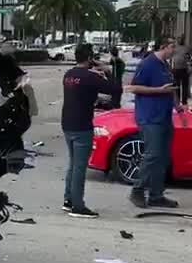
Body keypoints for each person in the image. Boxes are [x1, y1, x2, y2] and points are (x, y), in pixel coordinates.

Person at [61, 42, 120, 218]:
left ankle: (68, 200)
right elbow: (115, 88)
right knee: (80, 167)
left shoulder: (68, 75)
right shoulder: (90, 77)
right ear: (89, 58)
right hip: (82, 125)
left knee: (73, 164)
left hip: (67, 123)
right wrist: (107, 71)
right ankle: (78, 206)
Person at [128, 36, 180, 209]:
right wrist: (158, 90)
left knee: (163, 158)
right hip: (149, 118)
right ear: (164, 47)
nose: (174, 50)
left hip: (164, 117)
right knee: (153, 155)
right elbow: (134, 87)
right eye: (172, 47)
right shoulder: (147, 64)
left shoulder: (165, 65)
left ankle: (156, 195)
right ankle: (137, 190)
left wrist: (176, 104)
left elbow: (169, 88)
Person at [172, 36, 190, 106]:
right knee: (177, 86)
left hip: (185, 69)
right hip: (176, 69)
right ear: (177, 40)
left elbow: (190, 57)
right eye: (179, 39)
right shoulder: (174, 48)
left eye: (182, 39)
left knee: (185, 86)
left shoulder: (187, 48)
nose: (180, 40)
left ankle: (184, 101)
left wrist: (190, 67)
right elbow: (171, 58)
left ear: (184, 40)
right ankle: (177, 101)